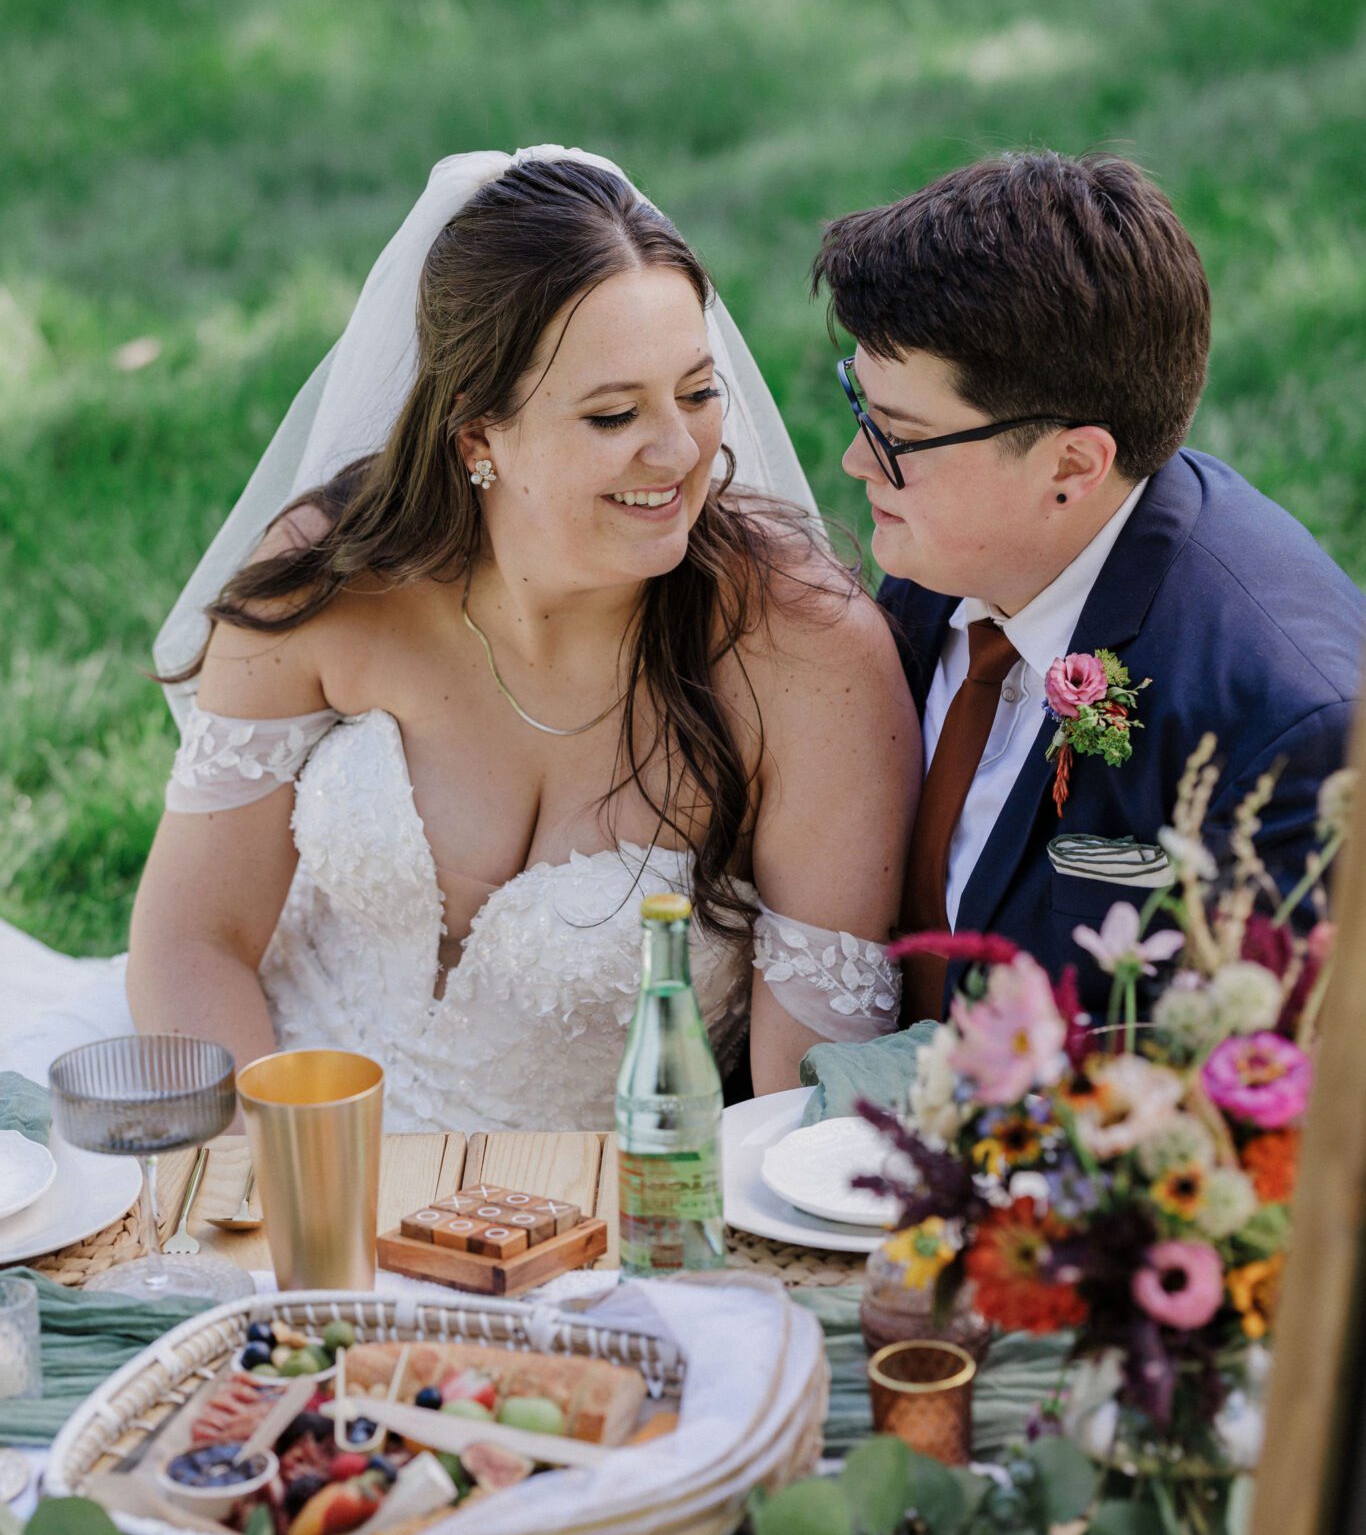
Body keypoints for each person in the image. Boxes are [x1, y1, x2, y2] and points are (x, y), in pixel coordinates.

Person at [1, 149, 916, 1128]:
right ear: (478, 435)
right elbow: (194, 938)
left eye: (695, 392)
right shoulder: (336, 578)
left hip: (609, 1222)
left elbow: (804, 1104)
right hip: (272, 1130)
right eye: (614, 413)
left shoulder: (807, 656)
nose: (679, 450)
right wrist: (275, 1182)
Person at [812, 148, 1363, 1021]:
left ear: (1072, 464)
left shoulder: (1285, 727)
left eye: (896, 437)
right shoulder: (950, 559)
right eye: (860, 409)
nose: (854, 461)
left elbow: (1250, 1090)